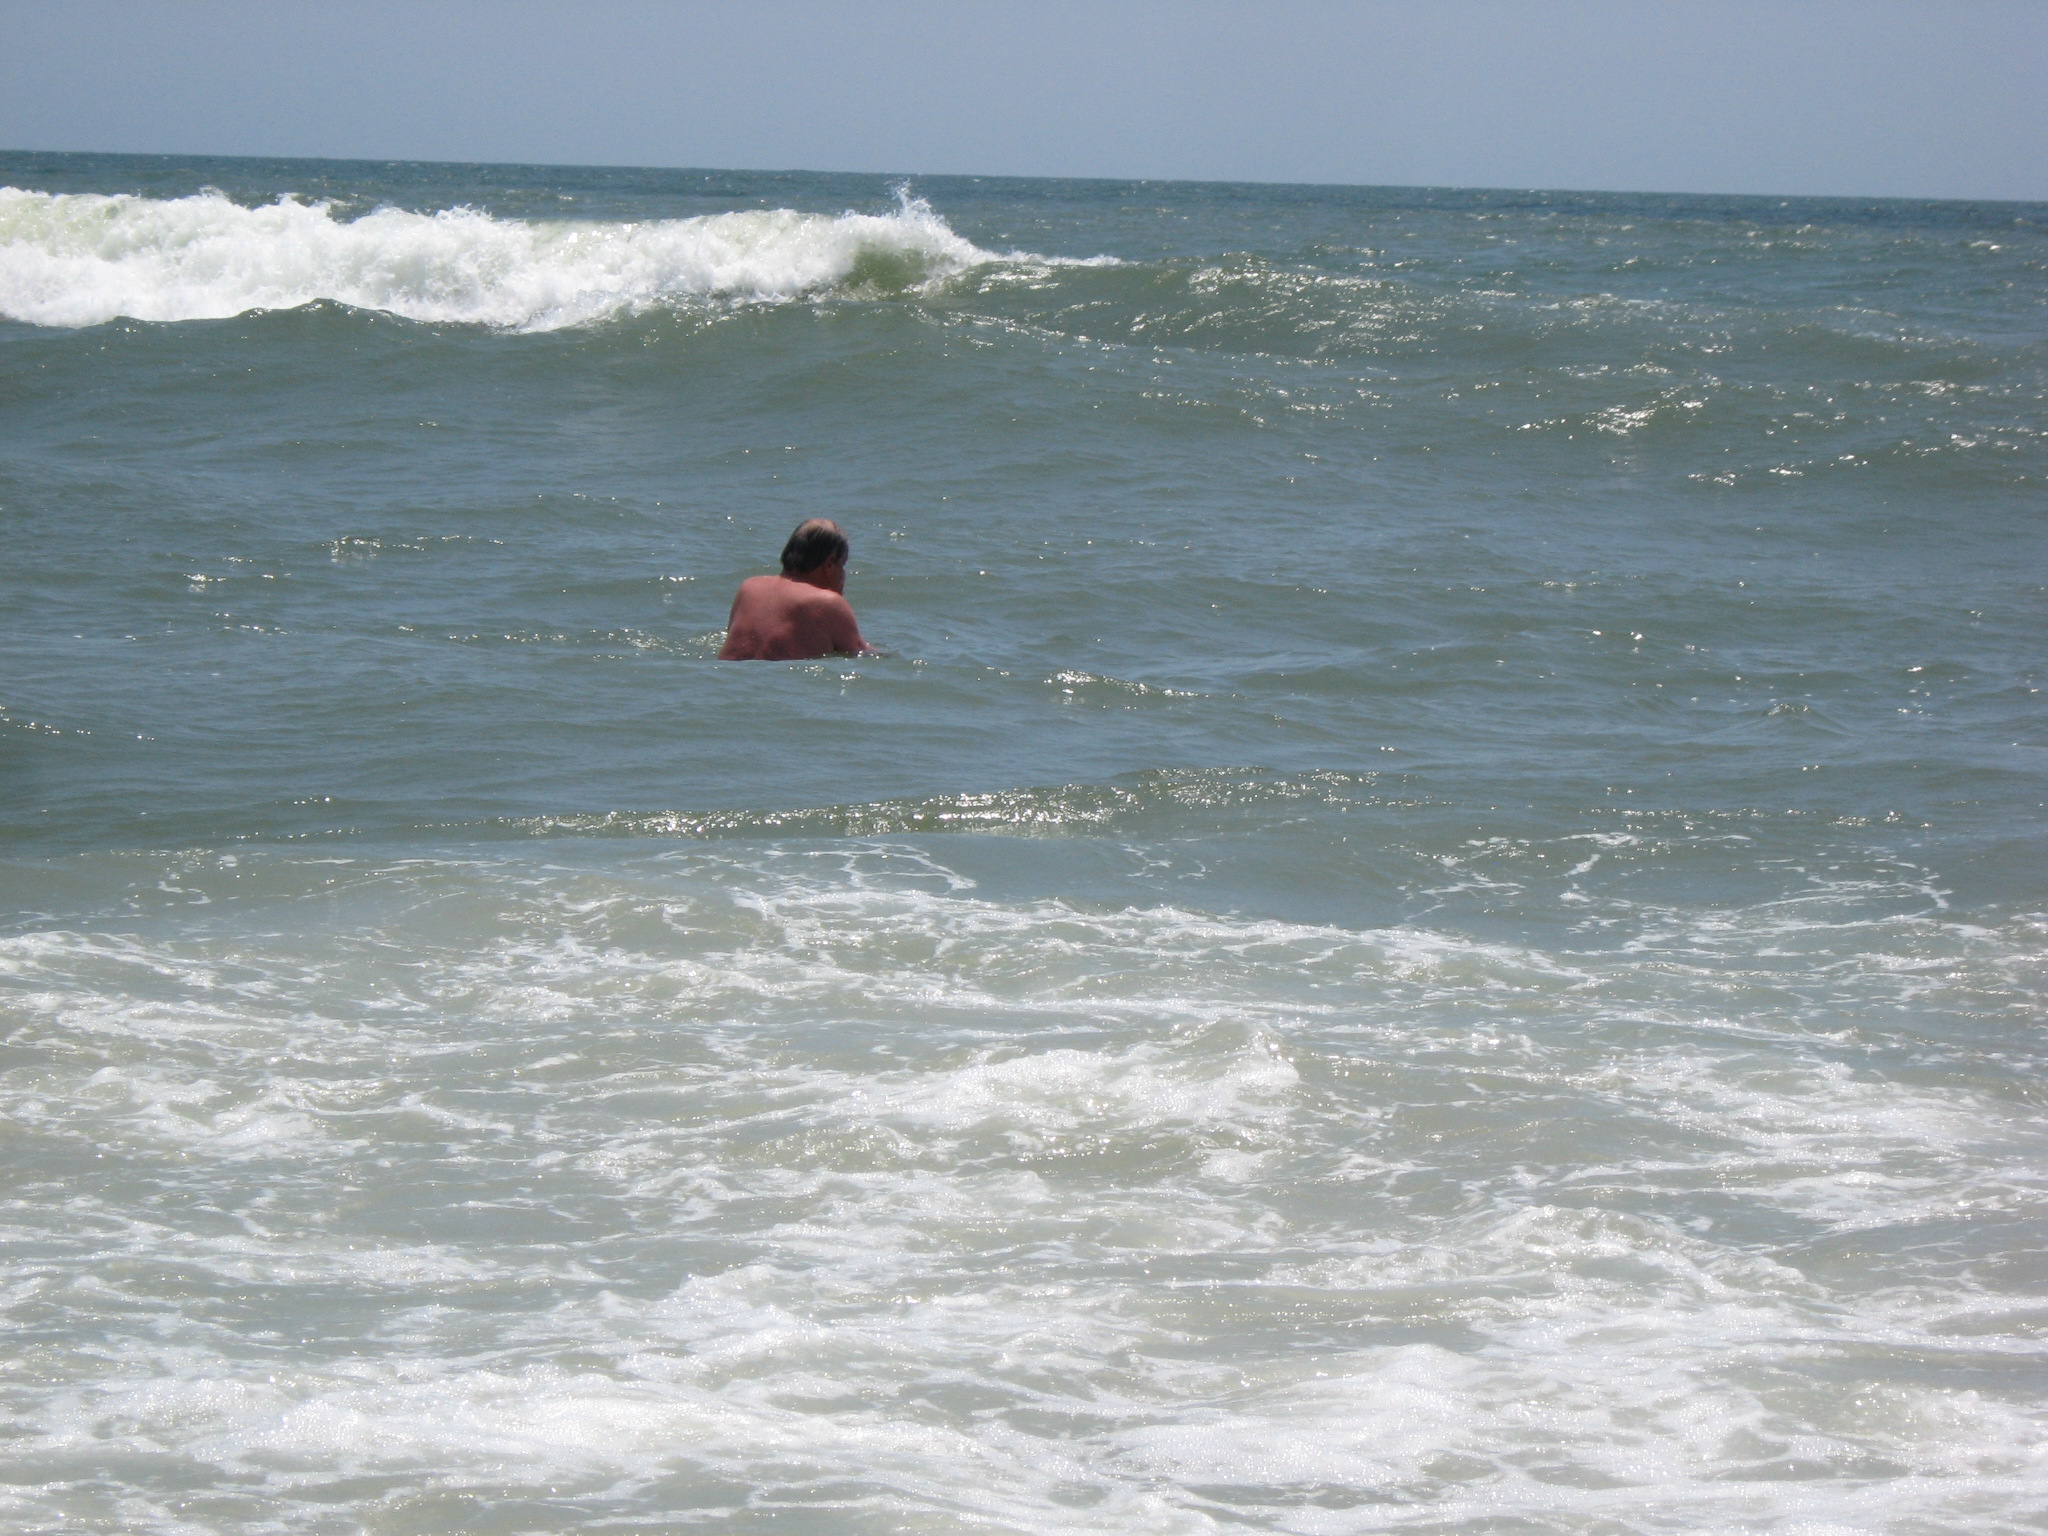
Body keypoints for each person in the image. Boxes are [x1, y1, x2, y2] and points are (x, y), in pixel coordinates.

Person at [717, 518, 876, 661]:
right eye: (842, 565)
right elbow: (860, 654)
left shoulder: (749, 588)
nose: (843, 574)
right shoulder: (828, 603)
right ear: (829, 564)